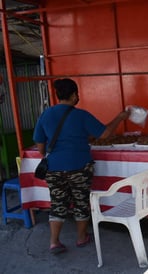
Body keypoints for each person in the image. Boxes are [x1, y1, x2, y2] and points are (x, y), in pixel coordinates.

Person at [33, 78, 130, 254]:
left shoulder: (45, 115)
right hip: (79, 167)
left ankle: (54, 242)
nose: (78, 97)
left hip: (53, 168)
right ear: (73, 95)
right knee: (81, 202)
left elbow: (41, 148)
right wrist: (120, 117)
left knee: (57, 203)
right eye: (76, 94)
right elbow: (105, 134)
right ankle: (81, 238)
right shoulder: (81, 115)